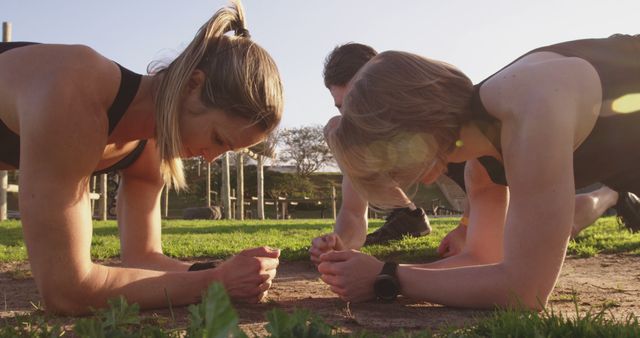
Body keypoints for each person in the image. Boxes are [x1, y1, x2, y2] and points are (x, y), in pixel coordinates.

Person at [0, 0, 282, 315]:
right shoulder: (76, 93)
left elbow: (143, 258)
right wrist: (216, 282)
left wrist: (220, 271)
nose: (210, 158)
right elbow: (66, 291)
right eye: (218, 139)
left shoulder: (148, 152)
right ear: (192, 85)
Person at [318, 34, 640, 309]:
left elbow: (526, 290)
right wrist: (380, 271)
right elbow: (481, 259)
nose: (393, 177)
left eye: (385, 158)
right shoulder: (480, 163)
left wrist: (388, 277)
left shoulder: (528, 108)